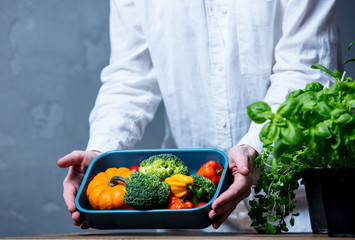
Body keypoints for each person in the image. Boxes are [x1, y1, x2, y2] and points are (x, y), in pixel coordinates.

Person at [57, 0, 340, 231]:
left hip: (298, 208)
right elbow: (131, 76)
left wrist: (254, 148)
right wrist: (102, 153)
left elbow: (307, 71)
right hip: (187, 211)